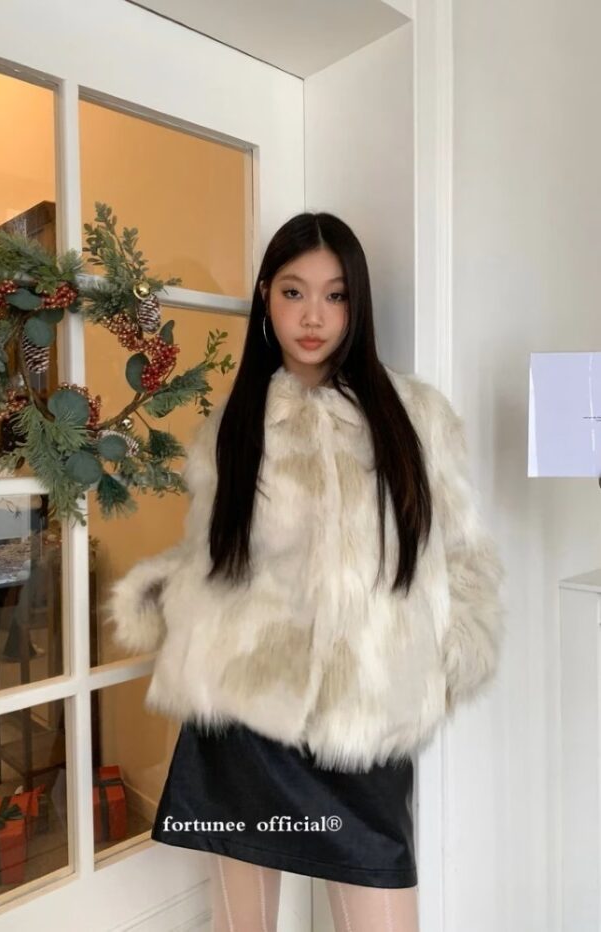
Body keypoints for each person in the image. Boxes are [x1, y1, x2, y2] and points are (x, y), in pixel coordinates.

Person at [106, 212, 506, 932]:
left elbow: (462, 555)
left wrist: (449, 659)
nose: (313, 316)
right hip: (244, 711)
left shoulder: (417, 416)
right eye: (294, 292)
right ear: (267, 296)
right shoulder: (233, 426)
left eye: (335, 294)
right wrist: (164, 598)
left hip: (362, 720)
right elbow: (212, 558)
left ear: (357, 304)